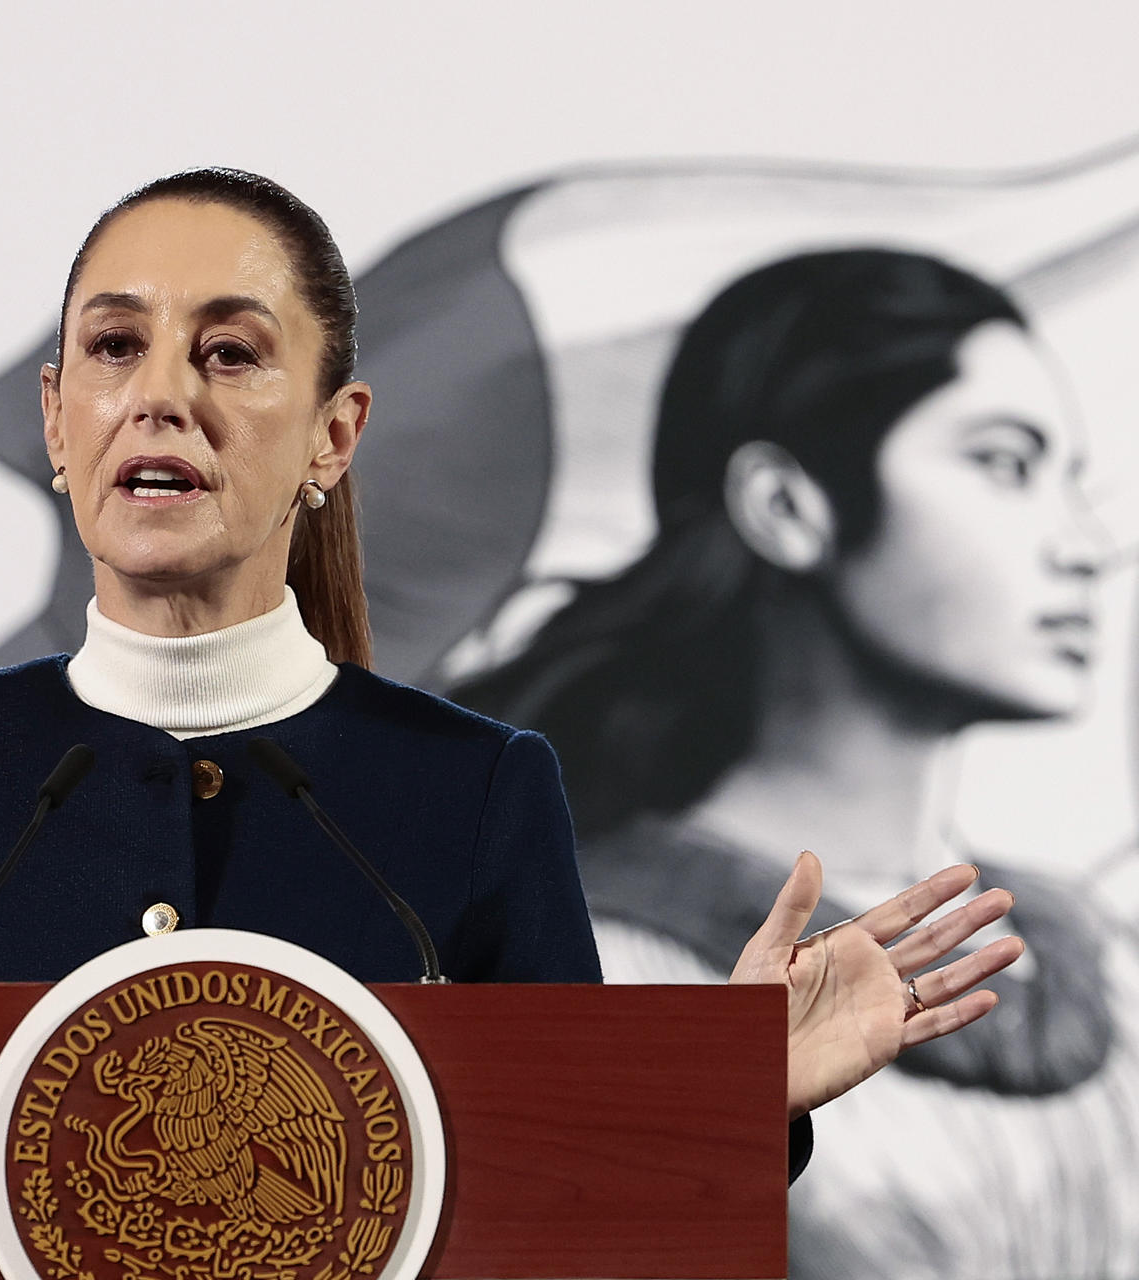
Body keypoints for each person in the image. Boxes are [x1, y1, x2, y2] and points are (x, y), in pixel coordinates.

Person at [0, 174, 1020, 1228]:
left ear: (337, 434)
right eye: (117, 350)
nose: (168, 397)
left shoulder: (477, 791)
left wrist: (722, 1110)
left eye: (229, 353)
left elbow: (552, 1227)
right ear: (59, 420)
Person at [454, 248, 1137, 1277]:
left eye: (1072, 481)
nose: (1087, 544)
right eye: (1004, 463)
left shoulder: (1113, 963)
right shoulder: (586, 969)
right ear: (786, 504)